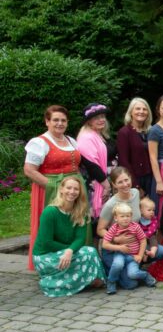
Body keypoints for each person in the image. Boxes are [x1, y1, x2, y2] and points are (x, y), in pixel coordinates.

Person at [24, 105, 107, 270]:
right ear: (47, 122)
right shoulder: (39, 142)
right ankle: (53, 263)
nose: (60, 123)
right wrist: (54, 186)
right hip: (51, 189)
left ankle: (78, 261)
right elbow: (29, 170)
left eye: (63, 120)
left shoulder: (71, 140)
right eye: (55, 120)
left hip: (74, 189)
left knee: (77, 223)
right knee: (55, 226)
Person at [31, 176, 106, 297]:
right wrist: (68, 250)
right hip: (45, 256)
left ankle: (85, 280)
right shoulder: (50, 212)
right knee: (86, 253)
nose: (72, 192)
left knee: (90, 251)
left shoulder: (80, 211)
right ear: (61, 189)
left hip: (66, 252)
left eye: (76, 189)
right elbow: (46, 242)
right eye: (68, 188)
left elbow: (80, 239)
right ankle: (54, 282)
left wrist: (70, 250)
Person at [101, 202, 157, 294]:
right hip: (120, 254)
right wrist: (119, 247)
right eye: (122, 216)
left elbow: (143, 240)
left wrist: (140, 255)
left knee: (133, 274)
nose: (125, 218)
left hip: (133, 256)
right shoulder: (114, 228)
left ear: (131, 216)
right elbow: (105, 244)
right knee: (118, 264)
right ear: (116, 218)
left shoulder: (135, 227)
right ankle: (111, 282)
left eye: (128, 216)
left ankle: (145, 275)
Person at [76, 103, 112, 219]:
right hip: (97, 182)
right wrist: (106, 186)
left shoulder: (99, 134)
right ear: (89, 121)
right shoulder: (86, 137)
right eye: (97, 118)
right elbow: (91, 165)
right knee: (97, 218)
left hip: (104, 180)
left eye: (103, 116)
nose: (102, 120)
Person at [117, 97, 156, 202]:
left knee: (151, 209)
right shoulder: (124, 132)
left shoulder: (151, 131)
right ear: (131, 112)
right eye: (138, 109)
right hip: (134, 179)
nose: (141, 112)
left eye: (144, 109)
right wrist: (136, 185)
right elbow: (123, 161)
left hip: (151, 178)